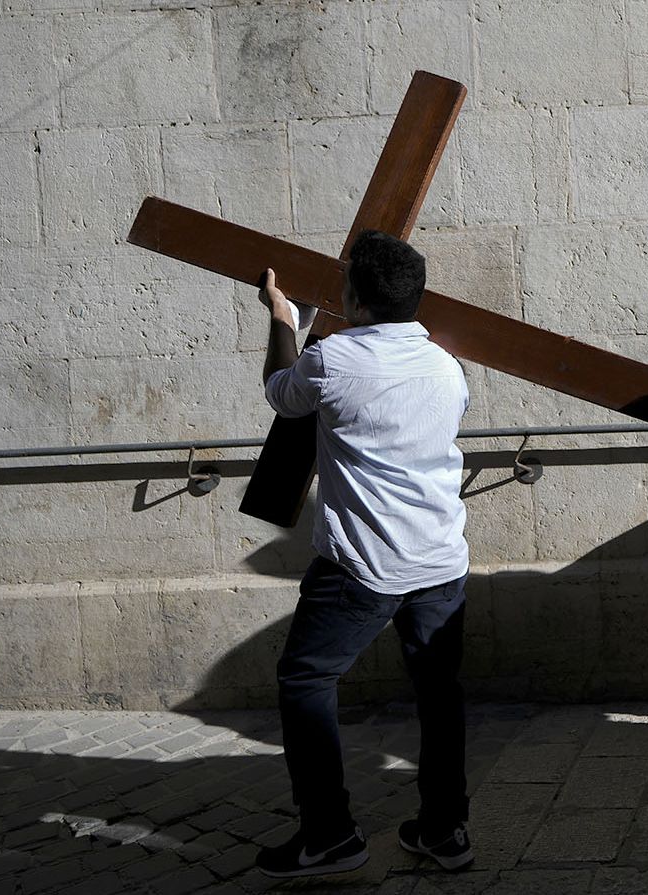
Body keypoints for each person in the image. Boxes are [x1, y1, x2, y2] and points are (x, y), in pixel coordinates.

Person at [252, 231, 475, 877]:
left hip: (363, 564)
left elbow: (280, 391)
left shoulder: (336, 359)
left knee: (305, 679)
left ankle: (329, 834)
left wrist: (282, 318)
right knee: (439, 692)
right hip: (440, 560)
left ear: (355, 297)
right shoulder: (446, 366)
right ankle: (445, 829)